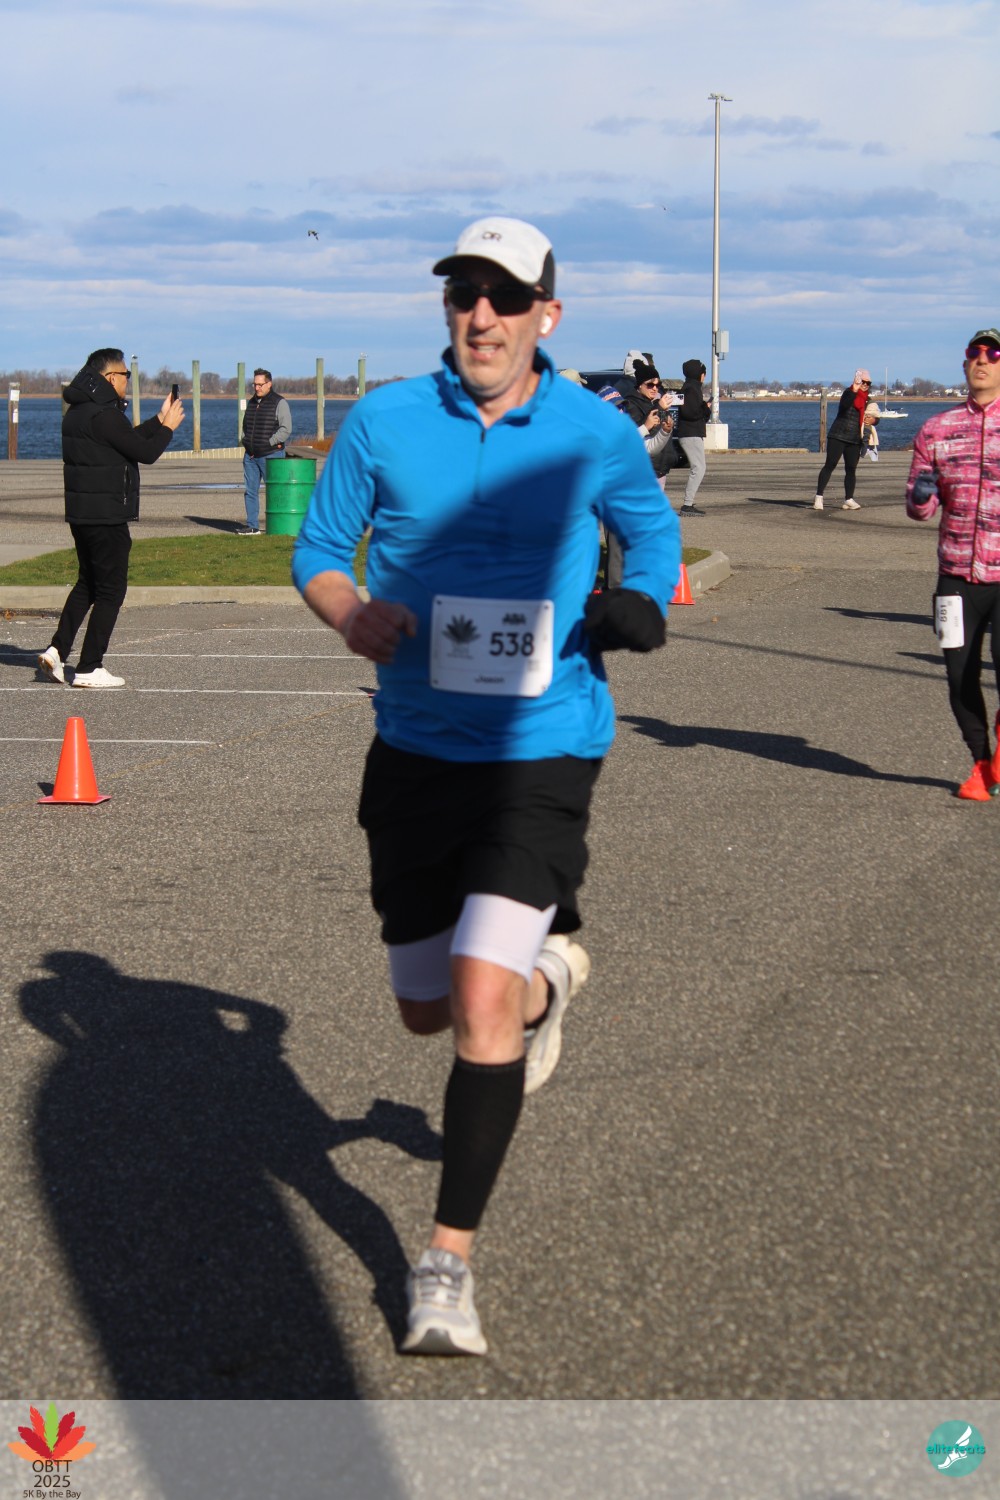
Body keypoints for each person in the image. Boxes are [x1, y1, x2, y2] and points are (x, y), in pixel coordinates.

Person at [292, 215, 680, 1356]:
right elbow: (317, 549)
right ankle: (549, 980)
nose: (481, 316)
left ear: (545, 315)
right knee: (426, 1008)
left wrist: (639, 599)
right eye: (463, 293)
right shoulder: (385, 420)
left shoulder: (593, 430)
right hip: (415, 751)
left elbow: (651, 531)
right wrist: (350, 614)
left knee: (474, 996)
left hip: (542, 748)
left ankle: (446, 1265)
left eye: (505, 297)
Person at [37, 349, 184, 689]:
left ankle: (57, 651)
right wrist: (169, 428)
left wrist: (158, 419)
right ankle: (90, 666)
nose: (127, 382)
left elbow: (125, 441)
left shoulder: (79, 412)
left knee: (87, 583)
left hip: (82, 514)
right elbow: (145, 453)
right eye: (125, 375)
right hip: (106, 516)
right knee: (111, 590)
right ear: (109, 377)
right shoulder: (105, 415)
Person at [905, 328, 1000, 801]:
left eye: (993, 353)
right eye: (974, 353)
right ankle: (982, 765)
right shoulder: (936, 430)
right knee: (959, 676)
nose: (982, 360)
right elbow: (918, 509)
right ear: (964, 365)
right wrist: (923, 495)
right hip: (956, 577)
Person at [240, 368, 292, 535]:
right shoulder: (252, 403)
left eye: (260, 384)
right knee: (250, 491)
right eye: (254, 384)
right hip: (250, 456)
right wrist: (245, 441)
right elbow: (245, 426)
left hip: (271, 455)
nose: (257, 388)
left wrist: (269, 442)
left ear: (269, 384)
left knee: (275, 491)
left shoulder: (279, 403)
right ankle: (252, 526)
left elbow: (286, 429)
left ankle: (279, 526)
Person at [813, 370, 871, 510]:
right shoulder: (848, 393)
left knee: (851, 469)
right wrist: (854, 390)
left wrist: (873, 420)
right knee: (830, 465)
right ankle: (819, 497)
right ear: (856, 380)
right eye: (862, 382)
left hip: (855, 439)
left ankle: (849, 499)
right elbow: (844, 405)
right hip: (838, 435)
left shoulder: (868, 400)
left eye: (868, 383)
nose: (865, 385)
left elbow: (876, 416)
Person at [675, 358, 712, 515]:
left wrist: (704, 408)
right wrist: (705, 408)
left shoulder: (689, 387)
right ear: (700, 375)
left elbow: (691, 411)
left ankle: (688, 503)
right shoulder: (692, 389)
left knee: (698, 467)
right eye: (704, 373)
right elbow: (691, 413)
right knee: (699, 468)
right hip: (691, 433)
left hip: (689, 432)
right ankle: (687, 505)